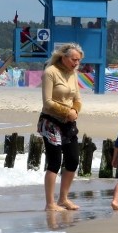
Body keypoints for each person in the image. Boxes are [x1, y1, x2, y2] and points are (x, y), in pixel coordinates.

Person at [39, 42, 85, 212]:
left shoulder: (74, 73)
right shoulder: (50, 72)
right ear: (64, 57)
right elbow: (48, 102)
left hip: (69, 121)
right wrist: (67, 111)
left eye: (78, 60)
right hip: (51, 121)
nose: (76, 63)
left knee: (73, 160)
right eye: (73, 59)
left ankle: (63, 199)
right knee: (54, 162)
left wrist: (75, 110)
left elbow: (78, 98)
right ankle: (50, 203)